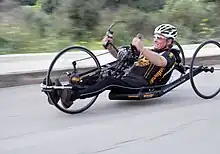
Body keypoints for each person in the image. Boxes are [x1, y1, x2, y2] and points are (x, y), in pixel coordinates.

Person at [44, 23, 178, 108]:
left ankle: (72, 96)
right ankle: (60, 92)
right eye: (155, 36)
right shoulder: (152, 51)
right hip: (128, 77)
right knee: (103, 72)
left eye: (159, 38)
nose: (155, 40)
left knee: (108, 81)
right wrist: (108, 46)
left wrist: (142, 49)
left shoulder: (171, 55)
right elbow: (121, 57)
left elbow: (161, 62)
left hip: (140, 84)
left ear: (169, 41)